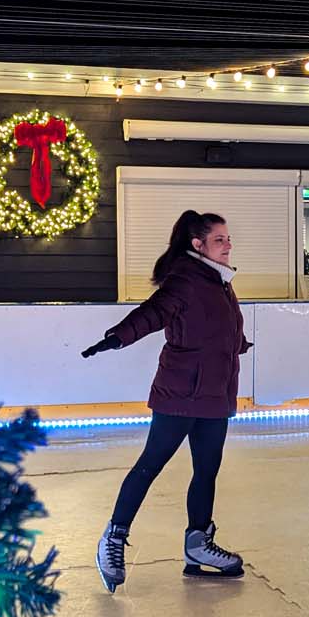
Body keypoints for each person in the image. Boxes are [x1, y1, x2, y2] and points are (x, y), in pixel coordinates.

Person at [80, 210, 251, 593]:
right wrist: (117, 337)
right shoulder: (187, 280)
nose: (228, 244)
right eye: (219, 239)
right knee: (149, 467)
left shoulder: (220, 281)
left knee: (207, 470)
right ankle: (112, 538)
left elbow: (218, 327)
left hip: (215, 393)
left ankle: (197, 545)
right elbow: (152, 313)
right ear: (198, 245)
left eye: (228, 238)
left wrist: (236, 344)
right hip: (180, 393)